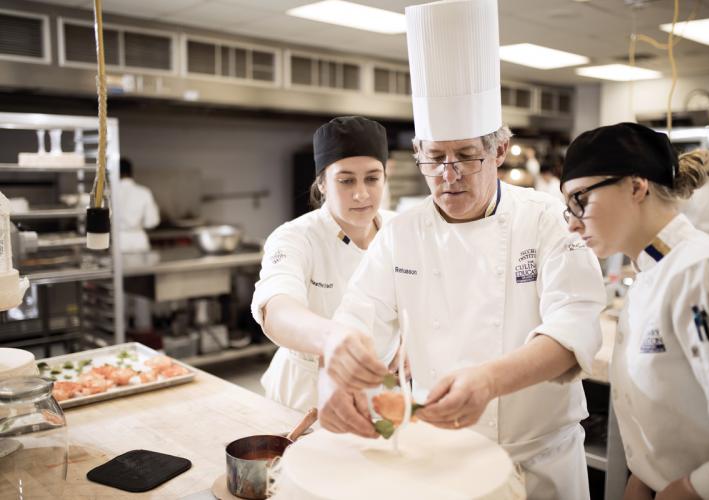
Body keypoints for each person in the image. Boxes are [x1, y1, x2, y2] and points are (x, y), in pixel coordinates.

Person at [317, 1, 606, 498]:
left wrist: (490, 380)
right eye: (435, 158)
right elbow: (357, 317)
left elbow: (574, 328)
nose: (448, 175)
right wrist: (333, 381)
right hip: (441, 452)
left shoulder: (546, 221)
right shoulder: (402, 233)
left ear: (498, 150)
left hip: (538, 457)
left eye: (466, 156)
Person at [560, 122, 709, 500]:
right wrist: (645, 474)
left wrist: (679, 490)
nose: (573, 224)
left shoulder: (705, 271)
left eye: (581, 200)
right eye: (568, 208)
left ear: (636, 186)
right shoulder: (650, 273)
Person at [251, 116, 394, 412]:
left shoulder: (400, 230)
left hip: (382, 391)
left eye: (372, 178)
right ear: (322, 183)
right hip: (306, 398)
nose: (362, 193)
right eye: (346, 180)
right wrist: (333, 338)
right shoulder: (295, 236)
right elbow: (277, 306)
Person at [117, 158, 160, 253]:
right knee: (141, 268)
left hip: (118, 240)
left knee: (119, 268)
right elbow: (152, 222)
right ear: (131, 173)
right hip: (139, 240)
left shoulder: (109, 193)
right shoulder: (144, 192)